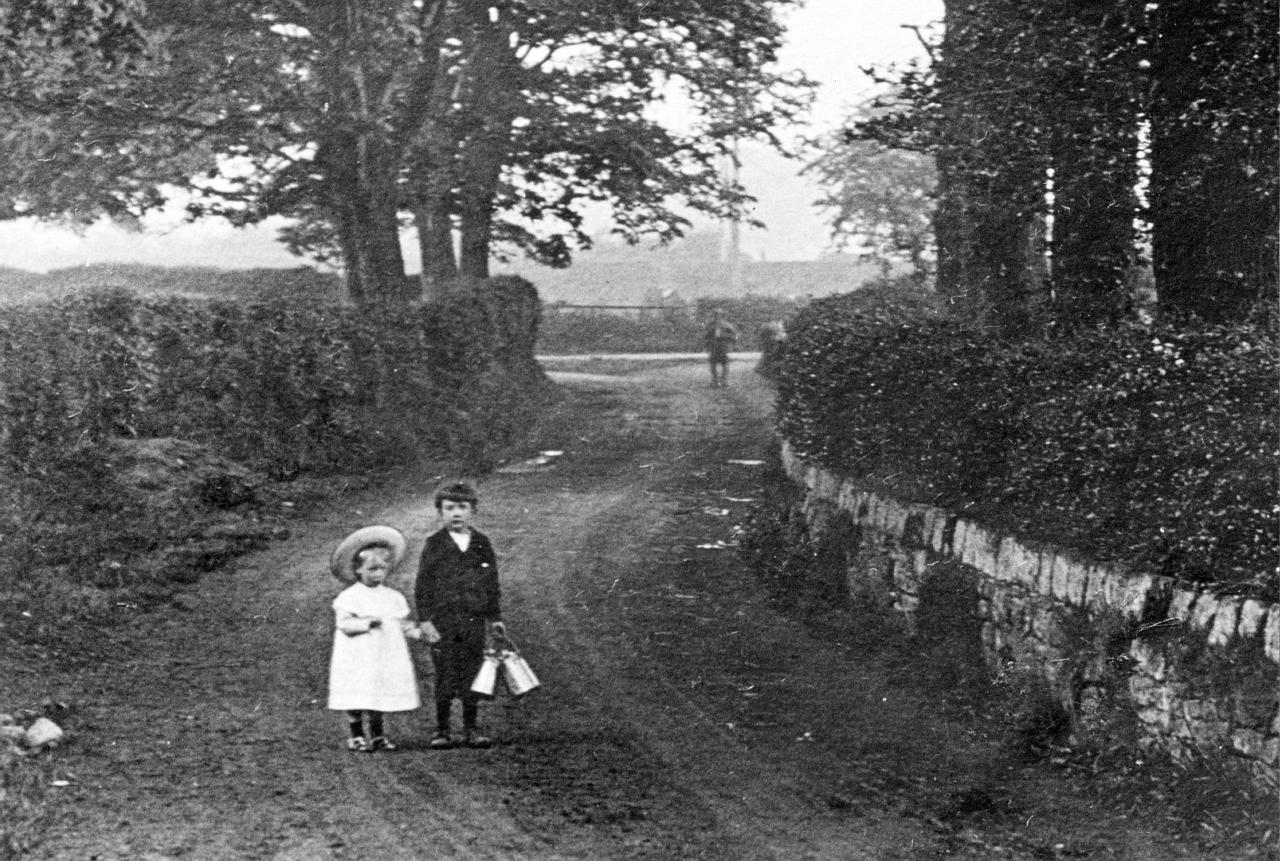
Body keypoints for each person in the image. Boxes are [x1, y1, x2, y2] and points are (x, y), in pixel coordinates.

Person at [415, 481, 504, 749]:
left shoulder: (480, 543)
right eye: (449, 508)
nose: (456, 513)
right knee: (444, 672)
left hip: (473, 619)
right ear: (440, 513)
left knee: (472, 671)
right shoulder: (435, 544)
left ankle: (471, 727)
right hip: (443, 621)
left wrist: (495, 618)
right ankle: (442, 729)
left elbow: (491, 582)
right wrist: (425, 619)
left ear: (472, 511)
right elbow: (423, 585)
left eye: (462, 507)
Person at [327, 525, 422, 752]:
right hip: (357, 654)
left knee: (378, 692)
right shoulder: (349, 597)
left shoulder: (392, 597)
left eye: (381, 569)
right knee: (358, 693)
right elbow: (344, 624)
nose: (377, 574)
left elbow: (401, 622)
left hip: (383, 654)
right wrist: (367, 623)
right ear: (359, 570)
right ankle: (357, 735)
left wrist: (416, 632)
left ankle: (378, 735)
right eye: (371, 569)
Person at [704, 309, 739, 388]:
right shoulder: (710, 325)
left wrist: (731, 343)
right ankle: (715, 381)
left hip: (723, 346)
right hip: (714, 346)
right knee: (713, 364)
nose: (718, 317)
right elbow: (706, 336)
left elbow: (735, 335)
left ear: (723, 316)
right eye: (716, 315)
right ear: (714, 316)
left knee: (725, 363)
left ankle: (725, 381)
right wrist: (707, 346)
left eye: (720, 315)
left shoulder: (727, 325)